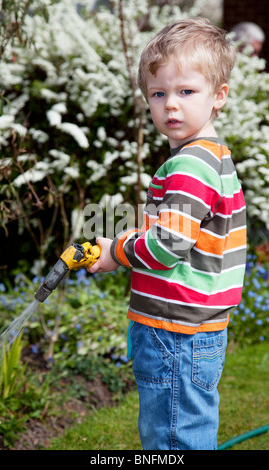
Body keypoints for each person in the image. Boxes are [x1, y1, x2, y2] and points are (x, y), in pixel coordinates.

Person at [88, 17, 247, 450]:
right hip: (196, 329)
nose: (170, 105)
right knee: (185, 432)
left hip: (175, 330)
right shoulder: (211, 157)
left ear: (219, 97)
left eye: (186, 92)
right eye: (159, 94)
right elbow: (176, 230)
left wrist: (115, 252)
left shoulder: (191, 164)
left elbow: (168, 247)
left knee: (172, 440)